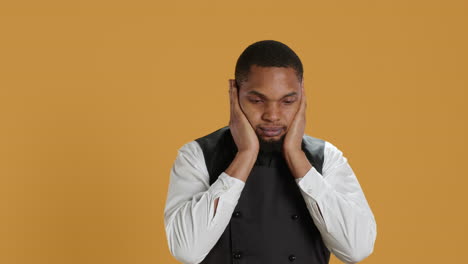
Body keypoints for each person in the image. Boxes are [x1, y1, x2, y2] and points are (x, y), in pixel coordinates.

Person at [164, 40, 377, 264]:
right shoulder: (196, 156)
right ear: (235, 94)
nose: (272, 115)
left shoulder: (327, 158)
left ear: (302, 97)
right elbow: (186, 250)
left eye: (287, 101)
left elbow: (357, 249)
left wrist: (296, 156)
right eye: (257, 100)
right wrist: (246, 154)